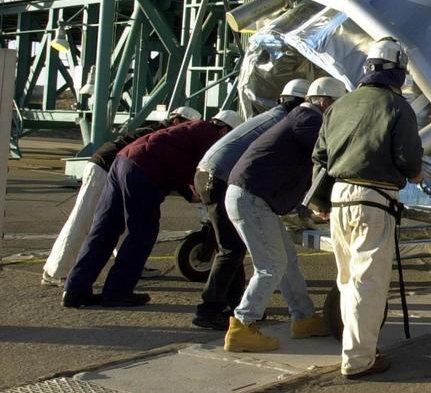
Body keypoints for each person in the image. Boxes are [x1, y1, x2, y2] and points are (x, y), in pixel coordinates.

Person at [313, 39, 423, 378]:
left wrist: (318, 202)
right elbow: (408, 160)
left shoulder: (340, 105)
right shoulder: (396, 106)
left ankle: (356, 349)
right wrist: (416, 174)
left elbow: (320, 157)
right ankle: (359, 360)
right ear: (399, 72)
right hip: (373, 202)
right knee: (369, 283)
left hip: (338, 199)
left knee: (347, 280)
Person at [62, 110, 242, 308]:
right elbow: (205, 171)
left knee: (104, 229)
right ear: (225, 128)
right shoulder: (211, 137)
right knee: (142, 233)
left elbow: (173, 157)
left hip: (122, 162)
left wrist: (188, 191)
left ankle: (75, 290)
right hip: (143, 171)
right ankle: (117, 292)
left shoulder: (192, 129)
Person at [223, 78, 347, 352]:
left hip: (254, 198)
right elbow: (329, 155)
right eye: (338, 108)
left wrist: (318, 204)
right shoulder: (308, 116)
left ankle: (304, 319)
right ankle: (243, 325)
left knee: (286, 260)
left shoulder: (303, 118)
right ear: (325, 102)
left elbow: (310, 170)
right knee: (271, 265)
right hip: (252, 198)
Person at [192, 79, 311, 331]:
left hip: (210, 173)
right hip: (223, 177)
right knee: (234, 249)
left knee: (236, 246)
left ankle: (235, 305)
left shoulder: (272, 116)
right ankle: (211, 310)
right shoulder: (290, 121)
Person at [42, 106, 200, 287]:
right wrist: (190, 194)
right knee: (83, 219)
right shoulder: (164, 136)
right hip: (104, 169)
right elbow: (172, 168)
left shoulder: (157, 132)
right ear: (177, 121)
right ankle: (57, 271)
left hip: (111, 168)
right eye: (187, 125)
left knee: (124, 222)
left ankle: (132, 267)